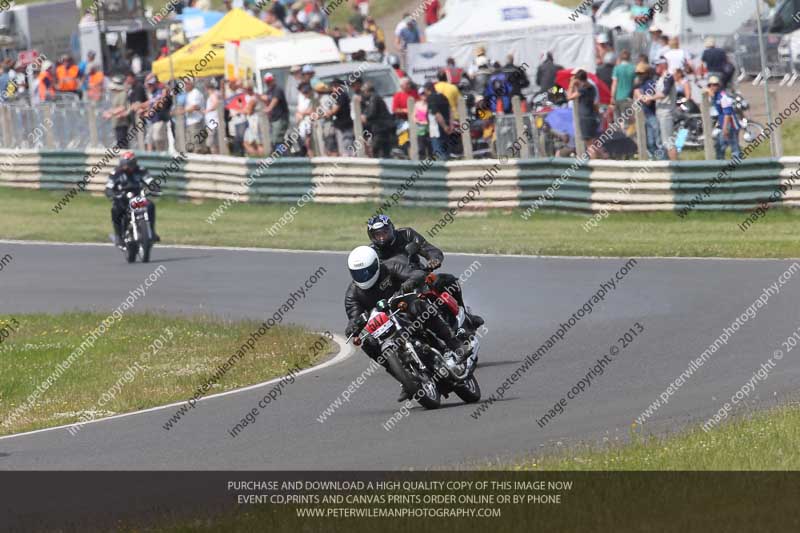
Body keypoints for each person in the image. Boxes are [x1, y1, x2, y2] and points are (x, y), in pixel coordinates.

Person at [344, 246, 469, 401]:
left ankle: (454, 343)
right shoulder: (352, 294)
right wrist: (352, 327)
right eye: (358, 273)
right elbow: (353, 316)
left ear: (376, 265)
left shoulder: (392, 266)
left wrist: (409, 283)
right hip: (383, 325)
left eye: (367, 271)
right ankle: (403, 377)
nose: (363, 276)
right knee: (367, 342)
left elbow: (417, 273)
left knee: (418, 305)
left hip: (403, 308)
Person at [366, 214, 483, 329]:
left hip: (419, 277)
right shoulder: (371, 253)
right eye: (378, 234)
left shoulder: (406, 234)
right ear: (372, 236)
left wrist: (434, 259)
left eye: (385, 232)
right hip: (395, 289)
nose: (382, 237)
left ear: (391, 229)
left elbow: (429, 249)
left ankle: (466, 317)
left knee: (449, 281)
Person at [105, 152, 159, 247]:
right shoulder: (115, 173)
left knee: (150, 206)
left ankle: (151, 231)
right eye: (126, 164)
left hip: (137, 198)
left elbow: (150, 181)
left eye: (130, 164)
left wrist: (154, 188)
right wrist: (113, 195)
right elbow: (109, 188)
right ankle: (118, 235)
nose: (128, 167)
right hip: (122, 199)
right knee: (115, 210)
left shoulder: (141, 171)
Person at [567, 69, 601, 158]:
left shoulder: (583, 90)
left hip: (585, 118)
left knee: (589, 145)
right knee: (593, 143)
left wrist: (571, 84)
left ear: (578, 79)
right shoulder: (592, 88)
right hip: (592, 116)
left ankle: (595, 165)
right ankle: (603, 159)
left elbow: (569, 96)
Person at [707, 75, 741, 160]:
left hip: (730, 124)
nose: (712, 87)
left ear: (718, 85)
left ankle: (736, 165)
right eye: (710, 85)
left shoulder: (723, 96)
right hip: (724, 124)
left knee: (727, 146)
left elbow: (728, 113)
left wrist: (725, 128)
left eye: (715, 85)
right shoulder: (715, 96)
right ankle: (722, 164)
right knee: (721, 146)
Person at [633, 62, 662, 159]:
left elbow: (648, 101)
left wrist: (639, 95)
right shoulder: (640, 85)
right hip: (645, 115)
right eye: (638, 74)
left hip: (652, 115)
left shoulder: (650, 84)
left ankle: (661, 160)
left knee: (657, 140)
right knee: (650, 141)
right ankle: (653, 160)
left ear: (647, 73)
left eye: (641, 74)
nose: (639, 76)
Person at [361, 81, 395, 159]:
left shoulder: (374, 98)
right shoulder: (374, 98)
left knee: (376, 147)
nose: (363, 94)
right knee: (383, 147)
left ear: (367, 91)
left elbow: (372, 112)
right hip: (381, 127)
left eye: (364, 92)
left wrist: (365, 117)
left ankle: (378, 162)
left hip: (381, 127)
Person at [653, 57, 677, 160]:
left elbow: (664, 93)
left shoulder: (668, 77)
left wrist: (649, 97)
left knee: (669, 142)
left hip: (666, 112)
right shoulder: (660, 79)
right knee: (662, 142)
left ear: (663, 65)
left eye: (657, 65)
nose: (656, 68)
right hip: (659, 112)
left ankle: (676, 166)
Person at [325, 78, 355, 155]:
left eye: (336, 86)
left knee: (346, 146)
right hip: (339, 125)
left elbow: (335, 110)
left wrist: (327, 113)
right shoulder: (335, 96)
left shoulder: (341, 96)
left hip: (345, 125)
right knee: (341, 146)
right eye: (333, 86)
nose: (334, 88)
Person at [260, 72, 289, 152]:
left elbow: (274, 101)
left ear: (273, 80)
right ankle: (281, 156)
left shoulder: (277, 89)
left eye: (270, 81)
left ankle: (281, 157)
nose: (268, 83)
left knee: (277, 139)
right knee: (274, 139)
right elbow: (265, 98)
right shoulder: (269, 91)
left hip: (280, 118)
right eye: (267, 82)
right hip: (274, 119)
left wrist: (268, 109)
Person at [142, 74, 171, 152]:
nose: (149, 86)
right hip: (153, 121)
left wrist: (149, 112)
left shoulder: (162, 91)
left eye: (151, 85)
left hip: (160, 120)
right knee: (150, 140)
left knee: (159, 139)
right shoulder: (154, 93)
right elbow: (151, 104)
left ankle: (162, 157)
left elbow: (159, 104)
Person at [424, 81, 452, 160]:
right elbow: (450, 110)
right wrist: (450, 125)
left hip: (437, 130)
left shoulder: (431, 98)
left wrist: (444, 126)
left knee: (439, 155)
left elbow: (437, 114)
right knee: (446, 152)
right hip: (446, 128)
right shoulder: (442, 96)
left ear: (427, 89)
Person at [103, 75, 131, 148]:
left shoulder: (122, 94)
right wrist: (109, 112)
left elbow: (122, 107)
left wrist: (110, 113)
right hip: (117, 123)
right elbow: (115, 108)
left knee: (122, 143)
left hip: (122, 123)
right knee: (119, 142)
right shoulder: (117, 95)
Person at [611, 49, 635, 125]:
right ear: (630, 57)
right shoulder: (633, 68)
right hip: (630, 97)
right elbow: (636, 83)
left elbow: (614, 84)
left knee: (619, 121)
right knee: (630, 121)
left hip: (619, 97)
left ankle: (622, 135)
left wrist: (612, 97)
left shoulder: (617, 68)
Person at [183, 78, 206, 153]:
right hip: (190, 121)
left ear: (192, 84)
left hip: (196, 121)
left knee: (196, 145)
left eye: (187, 83)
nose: (185, 86)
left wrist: (181, 111)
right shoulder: (189, 94)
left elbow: (194, 107)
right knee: (190, 145)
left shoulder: (195, 93)